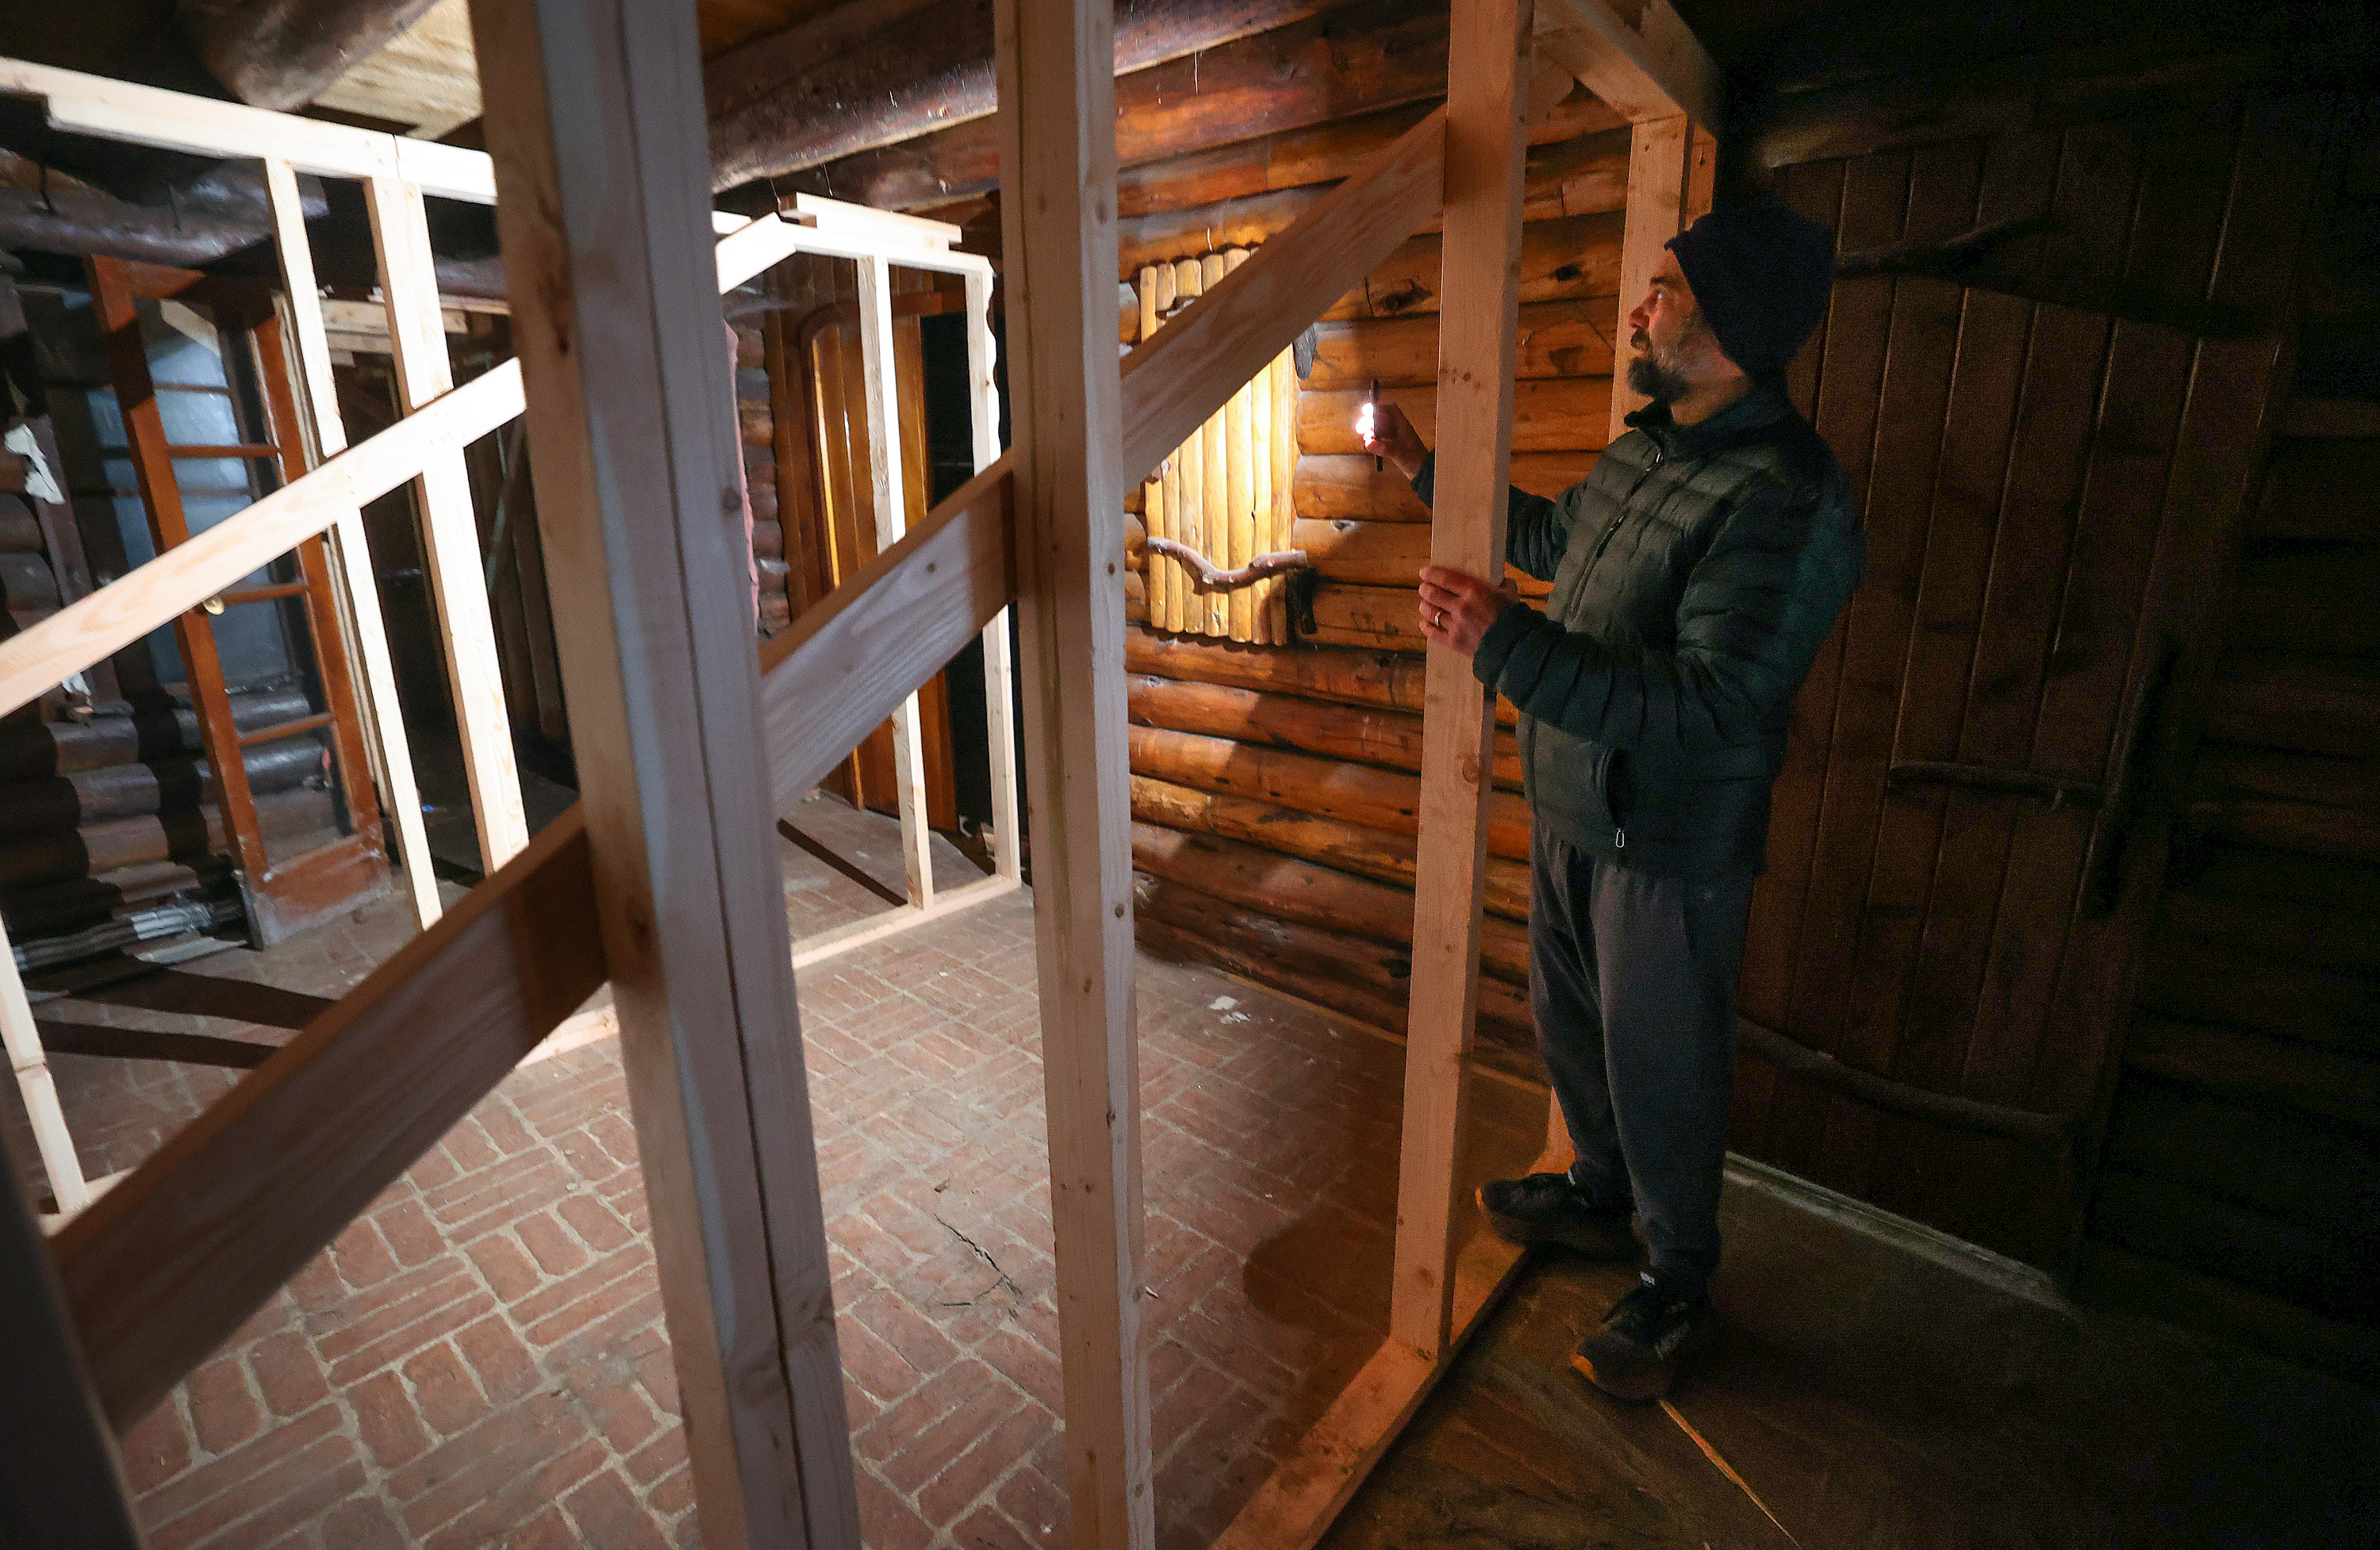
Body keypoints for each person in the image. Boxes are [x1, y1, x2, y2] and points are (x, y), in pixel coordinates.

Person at [1358, 203, 1860, 1400]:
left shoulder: (1787, 495)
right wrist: (1424, 464)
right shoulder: (1646, 451)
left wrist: (1505, 647)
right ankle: (1597, 1193)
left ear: (1735, 331)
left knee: (1665, 1067)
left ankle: (1678, 1281)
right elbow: (1552, 540)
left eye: (1667, 294)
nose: (1640, 309)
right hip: (1582, 809)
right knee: (1572, 1028)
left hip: (1673, 846)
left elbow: (1713, 698)